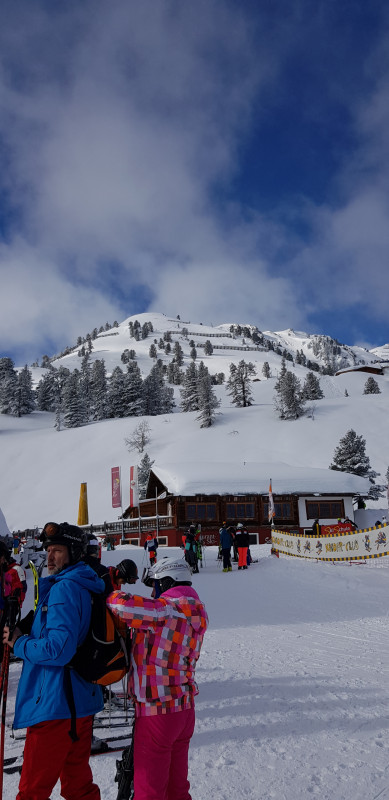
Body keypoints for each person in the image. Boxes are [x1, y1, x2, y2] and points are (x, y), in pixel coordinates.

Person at [3, 521, 105, 800]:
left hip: (54, 705)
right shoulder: (85, 583)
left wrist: (19, 643)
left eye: (57, 551)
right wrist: (29, 627)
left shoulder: (64, 589)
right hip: (80, 701)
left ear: (73, 552)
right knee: (78, 786)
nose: (49, 557)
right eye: (48, 550)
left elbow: (59, 650)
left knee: (32, 791)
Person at [107, 556, 208, 800]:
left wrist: (110, 587)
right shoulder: (195, 611)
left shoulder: (165, 610)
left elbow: (120, 605)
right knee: (177, 789)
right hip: (183, 710)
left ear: (166, 582)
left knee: (149, 791)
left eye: (155, 584)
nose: (153, 590)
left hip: (157, 712)